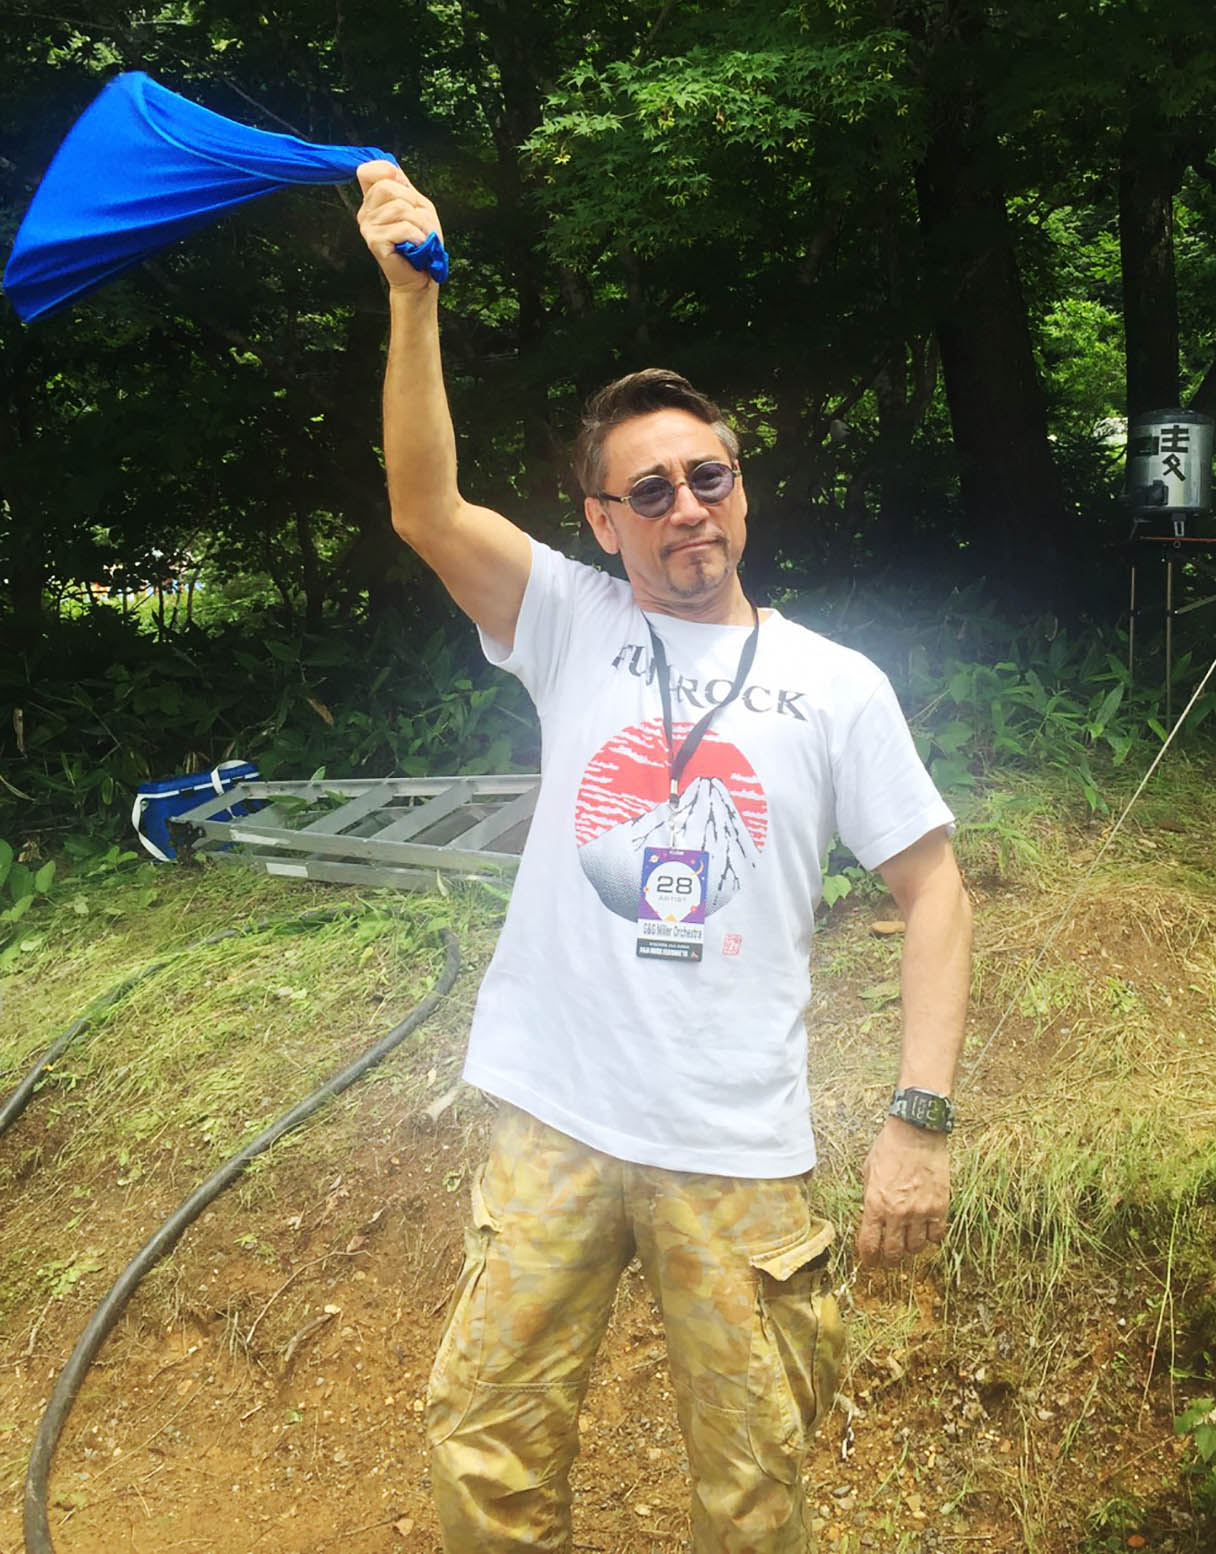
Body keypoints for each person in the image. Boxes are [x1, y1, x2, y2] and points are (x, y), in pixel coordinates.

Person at [355, 160, 972, 1554]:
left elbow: (933, 889)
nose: (686, 504)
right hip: (553, 1118)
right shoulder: (568, 620)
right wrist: (411, 299)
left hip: (734, 1146)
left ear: (739, 492)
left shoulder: (837, 684)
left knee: (754, 1488)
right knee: (486, 1453)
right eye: (649, 488)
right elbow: (424, 506)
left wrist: (917, 1118)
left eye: (709, 476)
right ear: (602, 518)